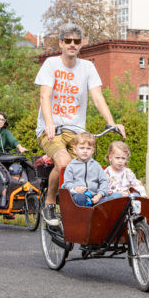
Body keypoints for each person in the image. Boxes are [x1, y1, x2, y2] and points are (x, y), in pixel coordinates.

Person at [35, 23, 125, 225]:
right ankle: (49, 202)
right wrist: (49, 123)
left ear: (81, 44)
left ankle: (80, 214)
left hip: (77, 132)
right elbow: (45, 96)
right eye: (68, 41)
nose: (72, 45)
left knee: (88, 169)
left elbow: (98, 97)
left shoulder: (88, 67)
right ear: (61, 43)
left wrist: (112, 123)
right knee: (65, 163)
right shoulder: (51, 64)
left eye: (76, 41)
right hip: (52, 131)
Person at [63, 132, 108, 207]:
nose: (85, 151)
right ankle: (83, 218)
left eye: (88, 148)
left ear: (92, 151)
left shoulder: (96, 165)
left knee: (106, 201)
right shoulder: (71, 166)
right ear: (75, 150)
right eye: (82, 148)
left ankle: (97, 217)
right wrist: (75, 189)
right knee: (79, 198)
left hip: (95, 196)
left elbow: (104, 181)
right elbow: (67, 183)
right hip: (79, 195)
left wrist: (99, 195)